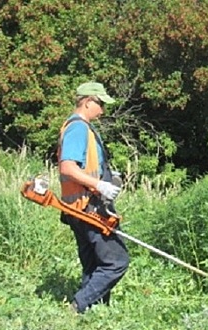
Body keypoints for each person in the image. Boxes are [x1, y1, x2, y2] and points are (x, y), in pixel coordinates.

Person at [57, 81, 130, 313]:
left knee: (93, 263)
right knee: (116, 262)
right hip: (87, 207)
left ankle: (93, 314)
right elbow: (67, 167)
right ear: (88, 102)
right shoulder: (78, 128)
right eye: (100, 104)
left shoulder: (80, 127)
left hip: (77, 207)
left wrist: (106, 175)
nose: (103, 110)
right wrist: (99, 184)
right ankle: (78, 305)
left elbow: (85, 165)